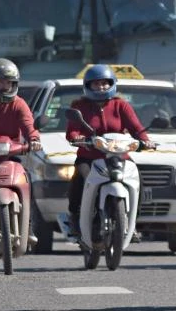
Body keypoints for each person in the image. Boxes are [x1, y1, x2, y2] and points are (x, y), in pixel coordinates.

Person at [64, 64, 155, 242]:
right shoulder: (79, 106)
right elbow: (72, 130)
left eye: (105, 83)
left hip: (118, 156)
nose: (101, 87)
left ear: (112, 84)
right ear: (88, 86)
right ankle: (75, 218)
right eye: (96, 84)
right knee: (80, 179)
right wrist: (78, 138)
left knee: (138, 181)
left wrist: (145, 140)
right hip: (89, 157)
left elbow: (136, 128)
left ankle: (132, 223)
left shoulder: (121, 105)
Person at [0, 58, 42, 244]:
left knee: (27, 179)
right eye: (1, 81)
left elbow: (28, 124)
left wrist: (34, 139)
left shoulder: (18, 103)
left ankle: (28, 224)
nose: (5, 86)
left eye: (9, 82)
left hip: (10, 156)